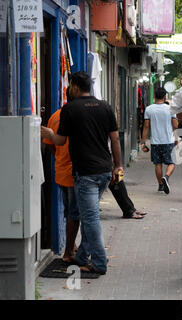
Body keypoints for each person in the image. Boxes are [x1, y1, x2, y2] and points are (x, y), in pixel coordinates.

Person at [41, 71, 122, 275]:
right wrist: (118, 166)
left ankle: (100, 263)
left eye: (70, 86)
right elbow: (115, 139)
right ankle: (83, 255)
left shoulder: (70, 109)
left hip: (85, 173)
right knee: (89, 216)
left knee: (90, 218)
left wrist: (50, 134)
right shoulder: (105, 107)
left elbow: (59, 142)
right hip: (104, 171)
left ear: (75, 87)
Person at [42, 93, 80, 265]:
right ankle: (68, 251)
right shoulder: (79, 115)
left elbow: (50, 145)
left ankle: (72, 245)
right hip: (76, 172)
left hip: (61, 171)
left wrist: (59, 157)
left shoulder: (55, 116)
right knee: (75, 213)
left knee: (68, 212)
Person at [141, 87, 178, 194]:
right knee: (172, 163)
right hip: (168, 141)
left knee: (158, 164)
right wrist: (176, 138)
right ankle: (166, 177)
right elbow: (175, 125)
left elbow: (146, 126)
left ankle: (161, 185)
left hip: (155, 142)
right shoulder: (171, 109)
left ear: (154, 97)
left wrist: (143, 142)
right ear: (165, 96)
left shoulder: (149, 109)